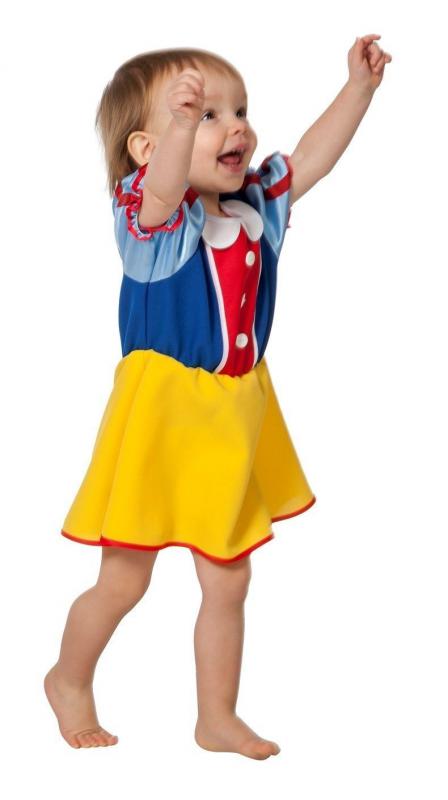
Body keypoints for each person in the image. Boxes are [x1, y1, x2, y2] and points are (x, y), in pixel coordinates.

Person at [44, 39, 392, 757]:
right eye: (205, 115)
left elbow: (311, 157)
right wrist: (181, 131)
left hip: (232, 414)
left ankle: (216, 717)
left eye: (239, 110)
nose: (235, 126)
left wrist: (359, 89)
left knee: (230, 580)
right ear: (147, 148)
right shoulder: (152, 222)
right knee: (124, 580)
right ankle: (67, 679)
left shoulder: (253, 207)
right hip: (161, 416)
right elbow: (164, 187)